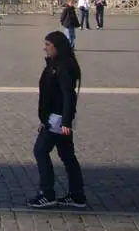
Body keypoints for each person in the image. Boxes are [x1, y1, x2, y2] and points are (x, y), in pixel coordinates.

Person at [27, 30, 85, 209]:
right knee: (67, 156)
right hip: (55, 118)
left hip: (58, 119)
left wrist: (66, 122)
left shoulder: (62, 67)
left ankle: (47, 193)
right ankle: (77, 196)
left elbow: (69, 95)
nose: (45, 48)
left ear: (57, 47)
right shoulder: (57, 64)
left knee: (40, 151)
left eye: (48, 45)